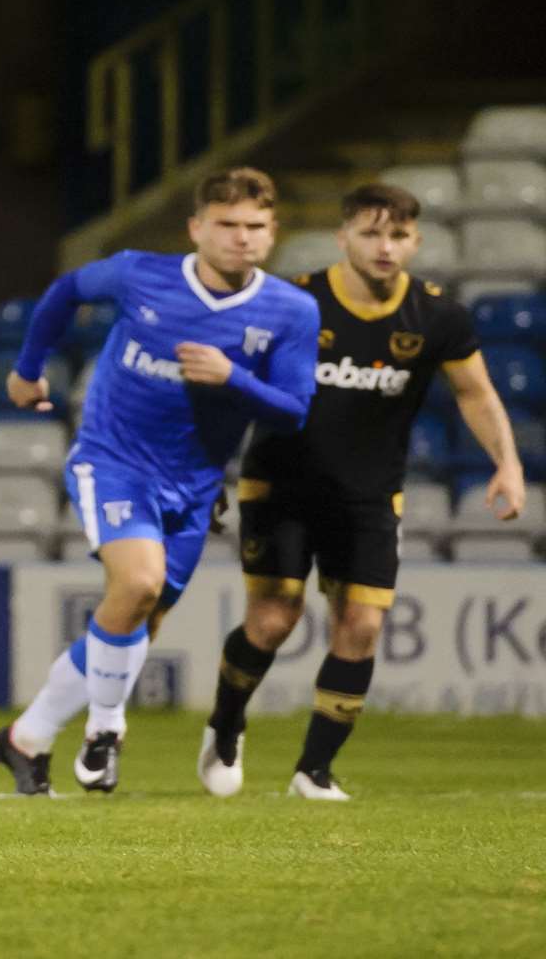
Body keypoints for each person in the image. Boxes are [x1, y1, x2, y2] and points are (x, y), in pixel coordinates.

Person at [0, 167, 320, 796]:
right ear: (197, 228)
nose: (241, 238)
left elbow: (295, 410)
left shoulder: (291, 310)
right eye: (227, 225)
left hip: (195, 487)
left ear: (272, 233)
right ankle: (105, 729)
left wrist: (233, 378)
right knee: (136, 582)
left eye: (255, 227)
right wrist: (29, 369)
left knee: (139, 619)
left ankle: (25, 738)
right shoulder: (141, 273)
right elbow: (65, 291)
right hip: (113, 460)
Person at [202, 183, 526, 801]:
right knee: (273, 620)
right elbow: (232, 386)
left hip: (370, 495)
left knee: (362, 626)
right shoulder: (294, 302)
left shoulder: (438, 316)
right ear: (343, 235)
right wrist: (207, 466)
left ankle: (313, 771)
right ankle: (226, 723)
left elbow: (475, 393)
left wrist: (506, 464)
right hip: (282, 486)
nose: (385, 247)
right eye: (372, 233)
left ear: (416, 241)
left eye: (398, 235)